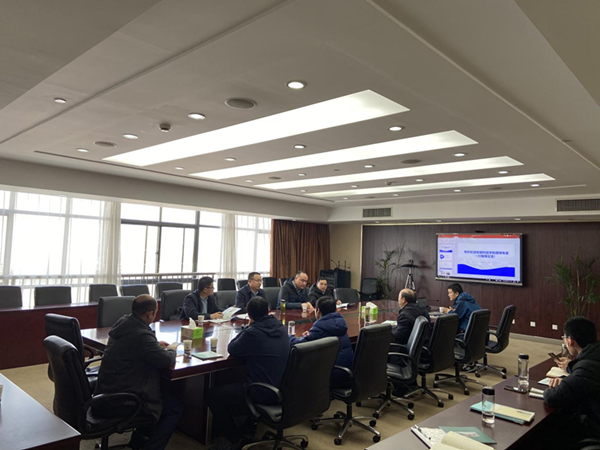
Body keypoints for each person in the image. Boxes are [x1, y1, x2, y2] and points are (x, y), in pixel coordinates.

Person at [94, 295, 182, 450]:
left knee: (160, 393)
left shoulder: (125, 322)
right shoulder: (141, 335)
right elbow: (165, 360)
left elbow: (136, 345)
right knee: (173, 407)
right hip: (122, 399)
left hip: (106, 391)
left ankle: (137, 444)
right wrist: (171, 350)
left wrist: (153, 344)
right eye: (155, 313)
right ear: (149, 314)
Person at [208, 297, 290, 446]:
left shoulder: (253, 332)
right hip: (282, 388)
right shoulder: (280, 327)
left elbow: (232, 348)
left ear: (249, 315)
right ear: (268, 311)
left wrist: (248, 327)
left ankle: (233, 436)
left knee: (213, 395)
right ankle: (248, 425)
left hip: (261, 391)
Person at [544, 317, 600, 440]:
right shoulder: (594, 354)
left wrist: (554, 386)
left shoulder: (586, 369)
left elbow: (552, 397)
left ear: (570, 340)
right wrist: (570, 366)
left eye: (564, 338)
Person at [289, 296, 353, 387]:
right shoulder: (341, 323)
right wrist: (308, 335)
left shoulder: (320, 327)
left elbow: (298, 345)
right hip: (346, 372)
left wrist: (289, 336)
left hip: (330, 375)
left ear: (318, 311)